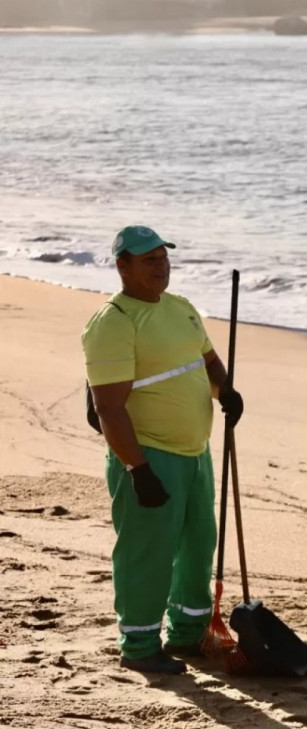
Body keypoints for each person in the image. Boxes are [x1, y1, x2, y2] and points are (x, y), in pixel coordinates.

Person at [82, 225, 243, 674]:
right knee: (147, 550)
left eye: (163, 257)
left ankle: (187, 635)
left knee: (197, 546)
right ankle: (138, 647)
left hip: (197, 453)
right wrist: (138, 469)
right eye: (148, 259)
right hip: (150, 456)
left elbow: (210, 364)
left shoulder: (183, 309)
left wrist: (226, 391)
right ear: (122, 266)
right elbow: (108, 408)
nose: (160, 266)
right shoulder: (114, 321)